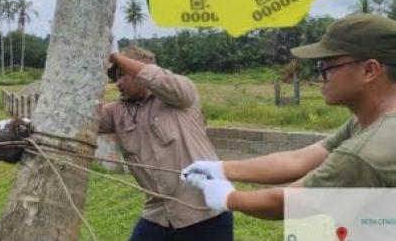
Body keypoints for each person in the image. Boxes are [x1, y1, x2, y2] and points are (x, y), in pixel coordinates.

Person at [181, 14, 396, 219]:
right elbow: (299, 160)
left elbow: (289, 202)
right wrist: (220, 168)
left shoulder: (366, 151)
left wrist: (228, 198)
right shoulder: (366, 122)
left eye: (326, 66)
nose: (319, 76)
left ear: (369, 70)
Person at [99, 46, 233, 240]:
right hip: (158, 214)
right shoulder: (116, 112)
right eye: (115, 78)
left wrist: (116, 57)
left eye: (122, 75)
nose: (117, 83)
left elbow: (159, 79)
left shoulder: (180, 94)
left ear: (139, 70)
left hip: (204, 211)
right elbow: (81, 120)